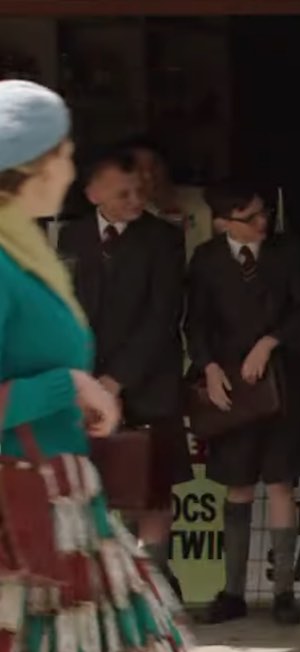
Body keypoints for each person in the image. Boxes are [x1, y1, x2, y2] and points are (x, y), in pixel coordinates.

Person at [0, 80, 193, 652]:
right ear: (25, 166)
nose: (69, 167)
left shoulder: (25, 253)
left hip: (66, 509)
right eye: (60, 153)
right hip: (19, 516)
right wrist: (72, 386)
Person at [186, 181, 300, 625]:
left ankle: (284, 592)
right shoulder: (207, 261)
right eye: (250, 217)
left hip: (283, 384)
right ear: (224, 222)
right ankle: (233, 593)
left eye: (264, 213)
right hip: (229, 388)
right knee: (237, 484)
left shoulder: (289, 252)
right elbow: (196, 322)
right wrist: (207, 367)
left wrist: (270, 342)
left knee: (282, 482)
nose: (262, 223)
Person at [56, 150, 191, 601]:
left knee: (154, 485)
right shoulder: (70, 237)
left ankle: (155, 582)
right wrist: (82, 378)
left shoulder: (164, 239)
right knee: (95, 483)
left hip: (149, 379)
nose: (135, 200)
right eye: (123, 193)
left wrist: (116, 380)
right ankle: (105, 583)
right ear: (94, 194)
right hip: (86, 382)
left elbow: (162, 317)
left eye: (138, 191)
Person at [118, 136, 216, 262]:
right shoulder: (127, 215)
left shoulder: (206, 199)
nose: (149, 175)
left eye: (154, 165)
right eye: (139, 168)